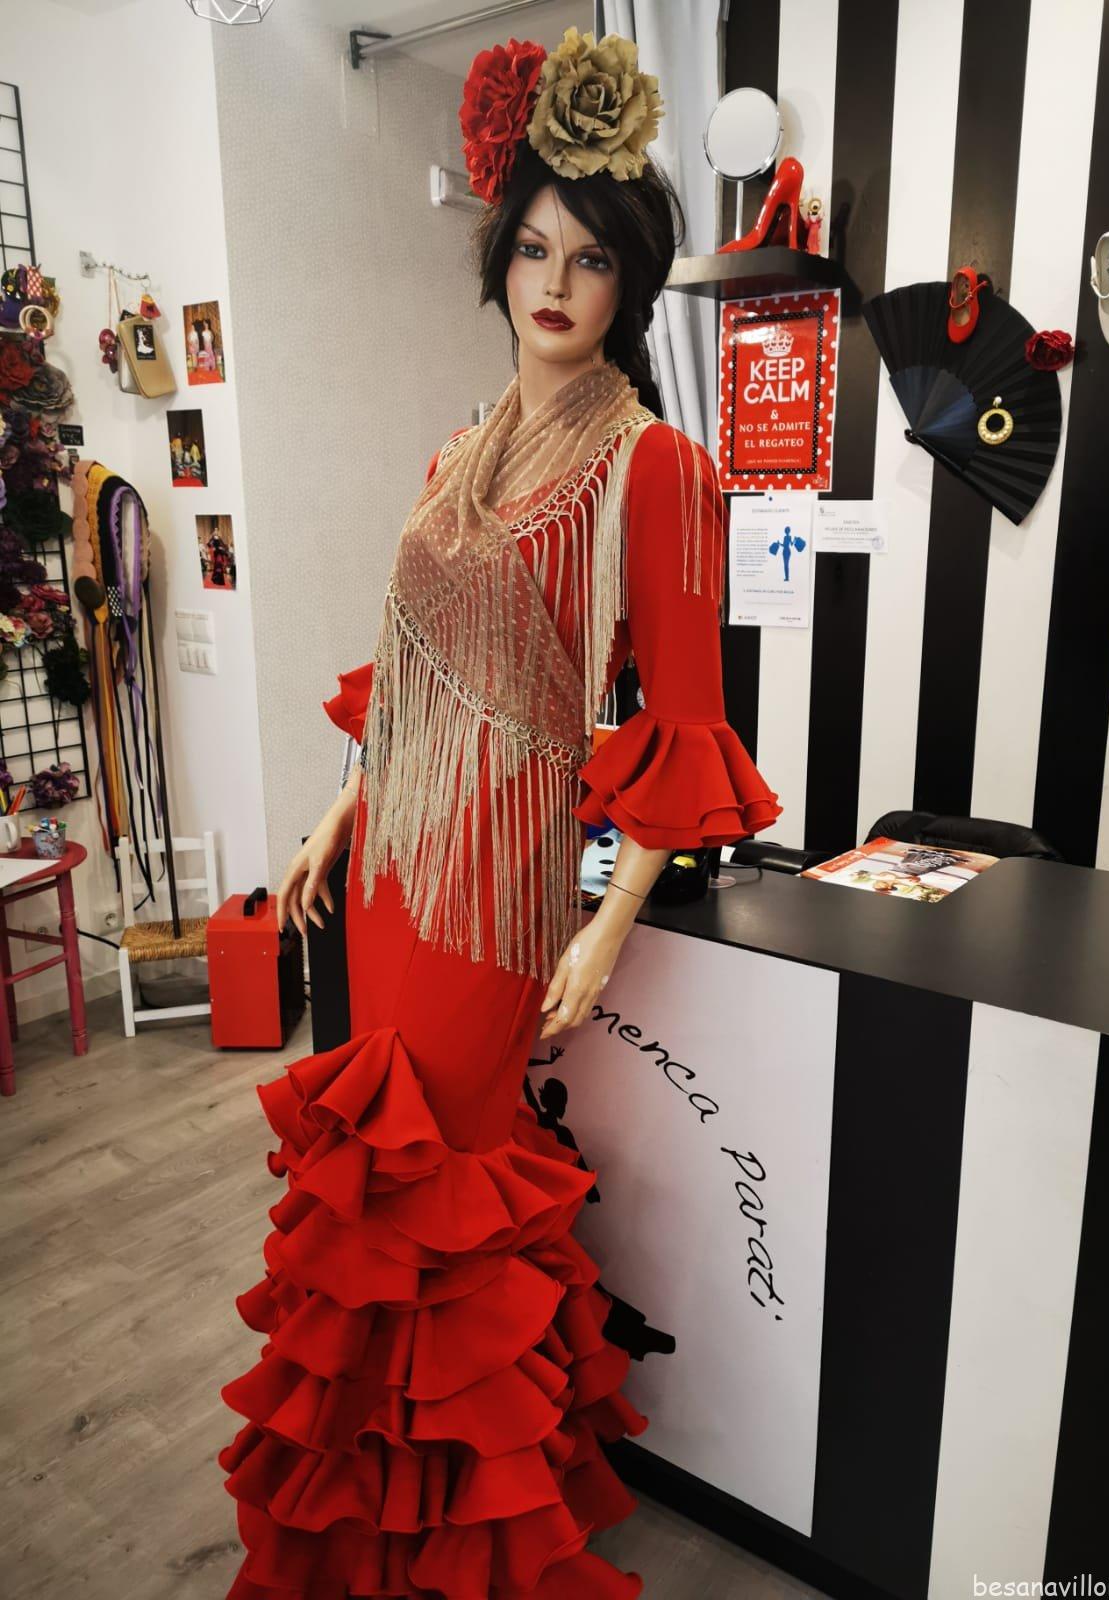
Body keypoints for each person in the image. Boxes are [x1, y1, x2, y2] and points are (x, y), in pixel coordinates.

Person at [217, 25, 782, 1600]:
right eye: (533, 247)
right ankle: (379, 1517)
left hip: (496, 894)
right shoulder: (457, 451)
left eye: (590, 258)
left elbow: (683, 727)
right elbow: (407, 664)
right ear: (499, 256)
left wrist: (610, 924)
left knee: (445, 1184)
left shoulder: (658, 470)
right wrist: (341, 810)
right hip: (394, 867)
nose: (555, 281)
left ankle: (465, 1541)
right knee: (375, 1180)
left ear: (628, 281)